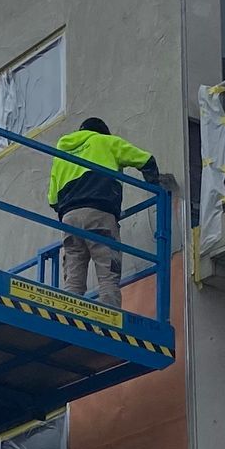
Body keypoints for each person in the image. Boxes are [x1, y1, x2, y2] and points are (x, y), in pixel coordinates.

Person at [46, 116, 162, 310]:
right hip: (99, 213)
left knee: (73, 280)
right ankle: (109, 319)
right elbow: (145, 160)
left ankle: (68, 317)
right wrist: (156, 185)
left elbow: (52, 200)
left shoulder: (61, 153)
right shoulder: (106, 141)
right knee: (108, 275)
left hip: (69, 219)